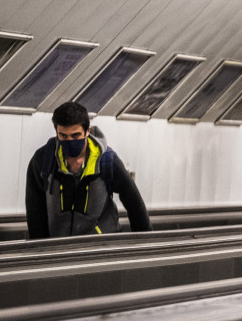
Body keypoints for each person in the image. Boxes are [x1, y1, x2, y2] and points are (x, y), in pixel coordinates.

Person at [25, 101, 151, 239]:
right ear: (56, 133)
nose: (69, 141)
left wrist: (145, 242)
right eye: (63, 136)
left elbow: (134, 203)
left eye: (75, 135)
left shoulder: (107, 160)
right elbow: (34, 209)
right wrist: (39, 248)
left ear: (87, 131)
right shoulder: (43, 160)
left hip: (100, 247)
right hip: (59, 248)